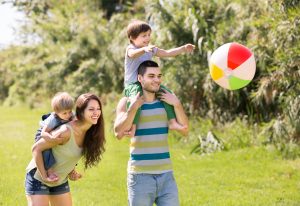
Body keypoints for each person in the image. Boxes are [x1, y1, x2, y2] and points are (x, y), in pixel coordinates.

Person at [114, 60, 189, 206]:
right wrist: (133, 108)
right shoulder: (126, 101)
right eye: (151, 76)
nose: (157, 80)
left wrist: (177, 104)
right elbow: (118, 133)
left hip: (166, 175)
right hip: (140, 176)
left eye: (159, 76)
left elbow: (185, 131)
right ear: (140, 79)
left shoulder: (166, 102)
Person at [25, 93, 106, 206]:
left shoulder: (90, 133)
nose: (96, 112)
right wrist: (44, 175)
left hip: (59, 180)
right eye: (91, 109)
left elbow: (67, 153)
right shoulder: (65, 131)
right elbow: (36, 148)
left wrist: (71, 171)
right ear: (81, 111)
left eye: (98, 109)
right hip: (38, 178)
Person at [124, 19, 194, 137]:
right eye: (143, 36)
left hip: (148, 82)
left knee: (166, 93)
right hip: (133, 84)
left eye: (149, 35)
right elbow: (132, 55)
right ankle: (133, 126)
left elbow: (167, 53)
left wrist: (183, 49)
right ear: (132, 38)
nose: (147, 38)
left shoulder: (150, 49)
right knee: (136, 99)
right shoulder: (131, 49)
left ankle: (172, 122)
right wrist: (143, 50)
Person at [34, 92, 75, 182]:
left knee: (70, 147)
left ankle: (72, 170)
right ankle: (49, 170)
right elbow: (43, 133)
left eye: (70, 111)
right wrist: (51, 139)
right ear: (56, 112)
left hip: (57, 132)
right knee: (47, 150)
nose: (68, 115)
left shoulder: (71, 115)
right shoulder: (53, 119)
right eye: (65, 113)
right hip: (45, 134)